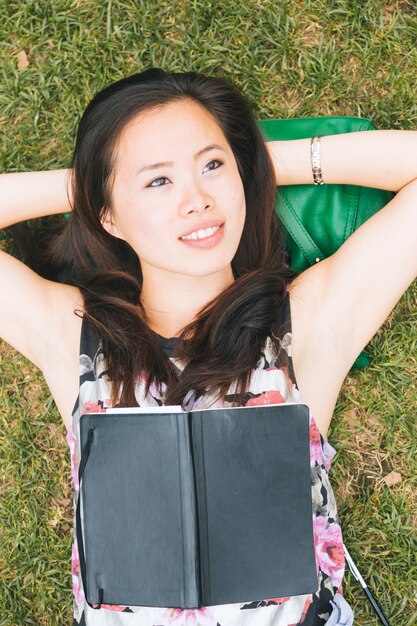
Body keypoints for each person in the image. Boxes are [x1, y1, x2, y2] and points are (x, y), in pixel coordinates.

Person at [0, 68, 416, 626]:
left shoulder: (307, 327)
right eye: (158, 182)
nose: (198, 199)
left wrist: (263, 166)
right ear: (107, 214)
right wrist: (88, 187)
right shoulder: (73, 336)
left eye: (213, 165)